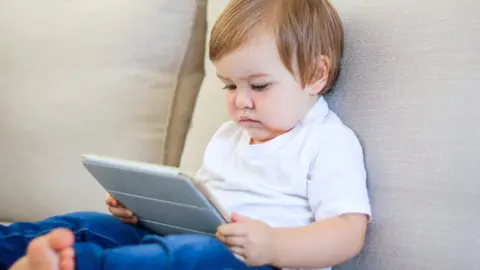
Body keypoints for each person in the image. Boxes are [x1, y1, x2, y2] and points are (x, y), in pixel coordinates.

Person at [1, 0, 371, 269]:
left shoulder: (327, 142)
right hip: (185, 242)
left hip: (253, 263)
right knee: (87, 223)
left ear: (315, 75)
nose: (241, 101)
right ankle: (14, 249)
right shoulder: (229, 136)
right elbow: (197, 210)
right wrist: (142, 211)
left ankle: (73, 266)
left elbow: (348, 233)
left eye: (259, 85)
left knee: (195, 256)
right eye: (229, 87)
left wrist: (273, 246)